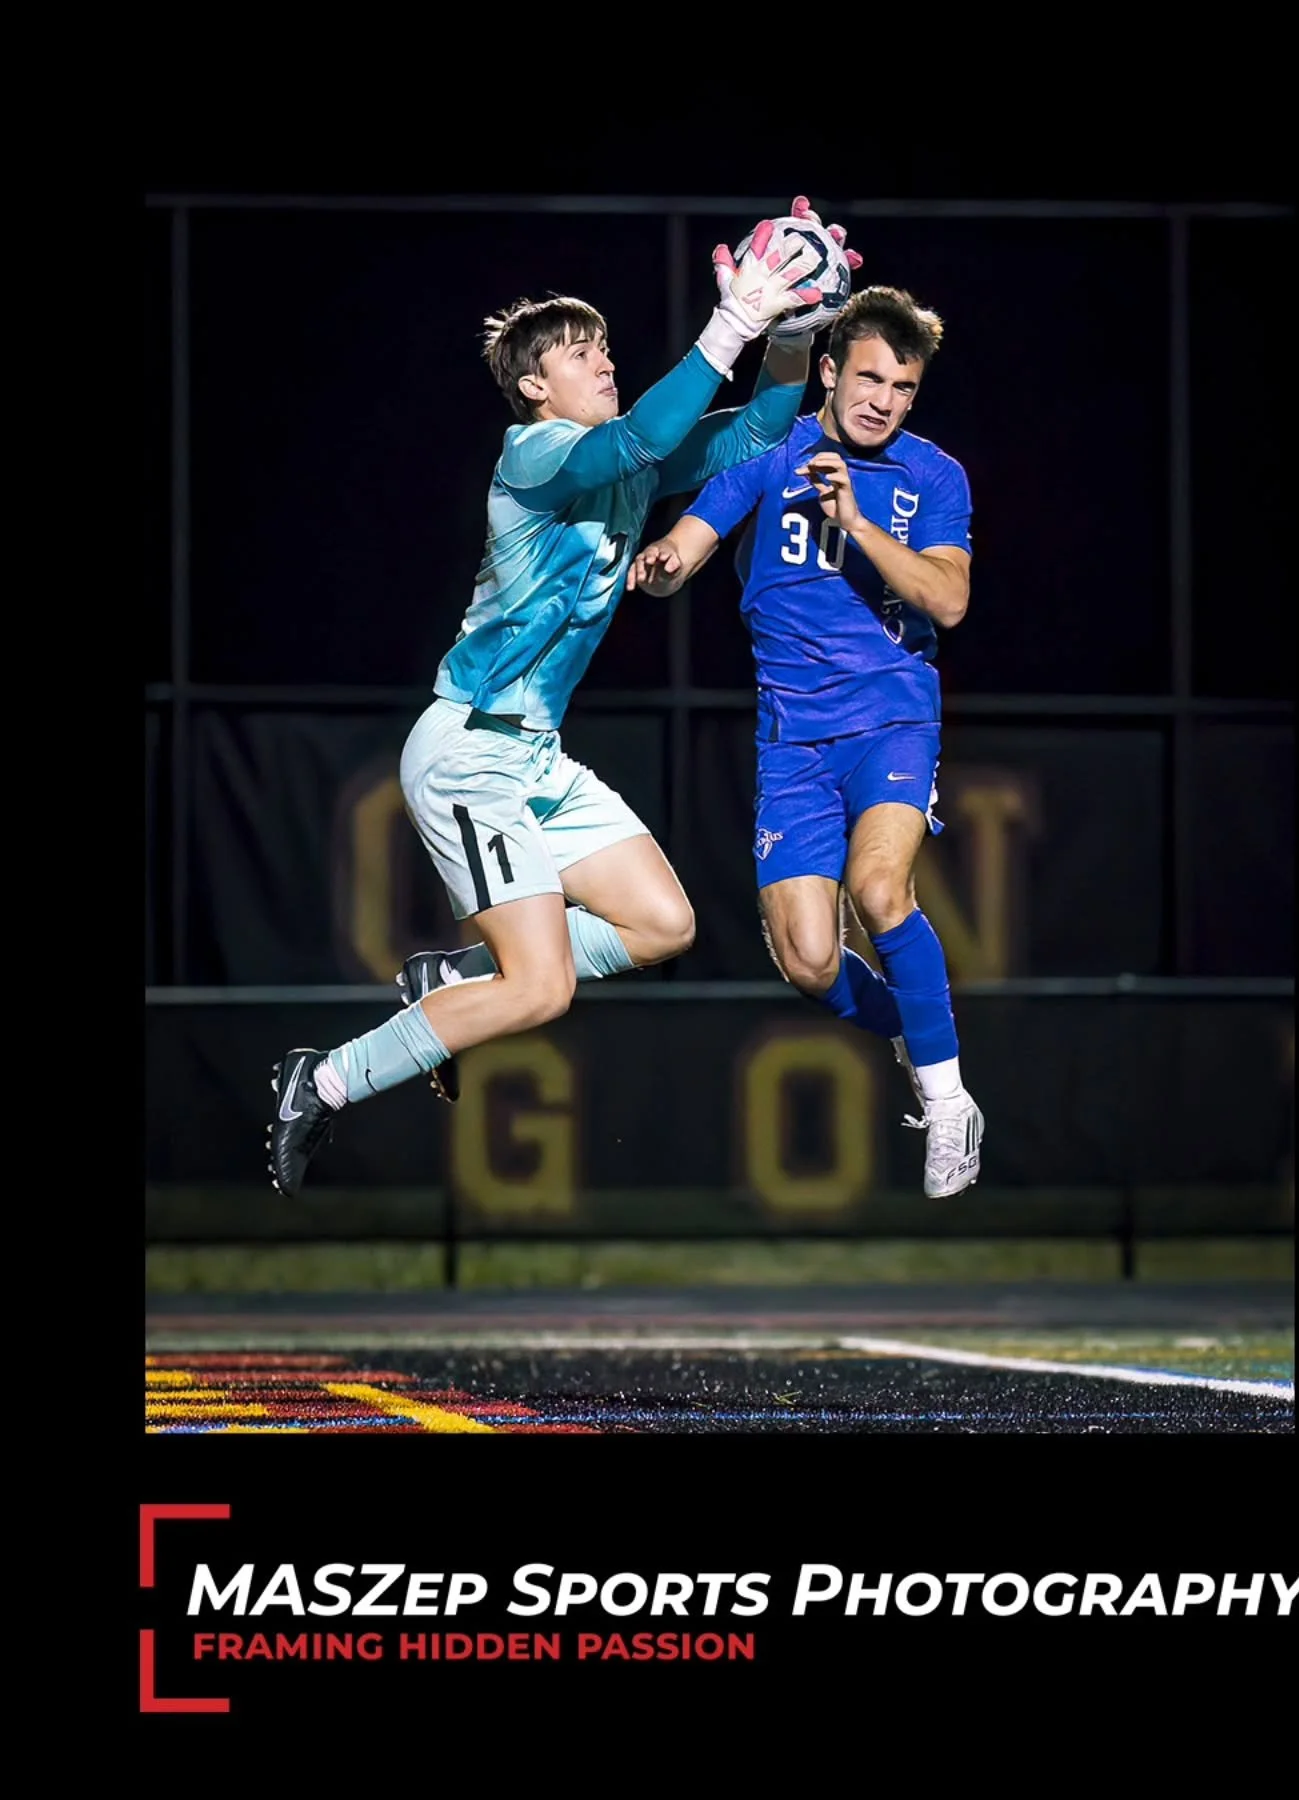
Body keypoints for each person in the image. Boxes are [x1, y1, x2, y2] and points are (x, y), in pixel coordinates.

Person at [268, 198, 863, 1198]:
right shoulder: (535, 457)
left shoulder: (625, 464)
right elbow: (627, 447)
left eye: (605, 349)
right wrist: (730, 325)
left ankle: (454, 978)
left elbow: (758, 434)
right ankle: (322, 1082)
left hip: (534, 754)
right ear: (535, 386)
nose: (604, 362)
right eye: (582, 355)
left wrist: (792, 336)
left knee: (662, 923)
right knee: (538, 991)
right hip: (467, 753)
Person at [625, 285, 983, 1199]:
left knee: (878, 888)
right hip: (793, 742)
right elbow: (688, 546)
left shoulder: (933, 475)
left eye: (903, 387)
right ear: (828, 371)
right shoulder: (773, 450)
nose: (883, 400)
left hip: (893, 716)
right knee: (809, 961)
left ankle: (947, 1105)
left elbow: (948, 600)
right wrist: (662, 566)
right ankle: (915, 1022)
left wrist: (858, 520)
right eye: (869, 378)